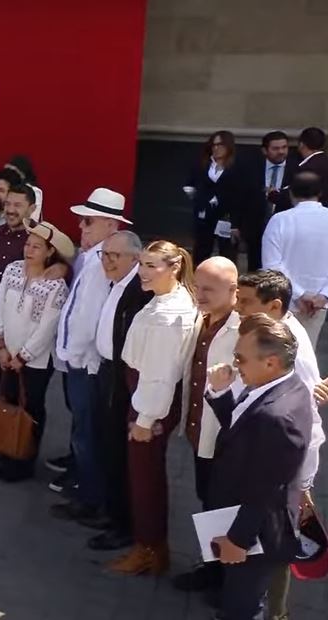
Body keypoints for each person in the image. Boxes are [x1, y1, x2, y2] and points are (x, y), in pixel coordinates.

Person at [204, 316, 311, 620]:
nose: (235, 365)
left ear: (271, 362)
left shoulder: (277, 417)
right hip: (243, 516)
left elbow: (266, 489)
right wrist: (222, 393)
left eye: (240, 358)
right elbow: (245, 433)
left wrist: (239, 540)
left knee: (242, 608)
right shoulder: (285, 385)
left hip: (255, 533)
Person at [234, 268, 326, 620]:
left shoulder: (294, 349)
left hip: (284, 472)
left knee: (276, 544)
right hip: (260, 459)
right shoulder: (265, 331)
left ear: (273, 306)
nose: (238, 307)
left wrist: (302, 485)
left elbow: (309, 423)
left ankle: (275, 613)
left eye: (246, 302)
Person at [109, 240, 198, 576]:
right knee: (146, 477)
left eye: (151, 266)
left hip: (149, 402)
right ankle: (150, 546)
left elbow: (161, 373)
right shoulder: (166, 301)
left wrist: (145, 419)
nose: (143, 272)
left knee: (145, 479)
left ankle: (150, 550)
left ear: (173, 268)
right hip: (145, 395)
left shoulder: (168, 314)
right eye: (142, 264)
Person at [48, 188, 133, 519]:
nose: (80, 228)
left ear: (110, 226)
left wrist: (74, 354)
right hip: (76, 359)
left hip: (87, 362)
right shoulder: (91, 255)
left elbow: (91, 316)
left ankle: (90, 497)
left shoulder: (105, 261)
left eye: (88, 222)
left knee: (89, 431)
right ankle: (83, 481)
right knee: (82, 426)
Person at [170, 257, 239, 594]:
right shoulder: (204, 317)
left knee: (222, 507)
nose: (201, 294)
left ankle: (222, 578)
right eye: (198, 287)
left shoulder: (244, 330)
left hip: (224, 439)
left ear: (234, 291)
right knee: (206, 499)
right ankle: (212, 568)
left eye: (210, 289)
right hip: (200, 433)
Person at [0, 220, 72, 481]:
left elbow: (48, 326)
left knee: (31, 408)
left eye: (37, 247)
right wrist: (0, 345)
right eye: (28, 244)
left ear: (49, 252)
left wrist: (23, 356)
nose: (29, 250)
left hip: (34, 361)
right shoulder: (12, 269)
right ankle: (6, 450)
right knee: (9, 402)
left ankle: (24, 459)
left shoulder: (56, 286)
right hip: (7, 352)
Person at [87, 231, 149, 553]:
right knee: (104, 446)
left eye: (115, 256)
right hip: (106, 371)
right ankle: (110, 512)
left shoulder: (138, 291)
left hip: (123, 379)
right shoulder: (116, 283)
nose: (107, 261)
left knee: (117, 453)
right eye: (104, 254)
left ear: (135, 259)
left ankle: (122, 525)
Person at [0, 185, 39, 426]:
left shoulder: (37, 241)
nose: (10, 210)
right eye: (9, 204)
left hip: (19, 328)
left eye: (18, 205)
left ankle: (11, 435)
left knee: (15, 385)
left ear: (31, 209)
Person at [261, 170, 328, 343]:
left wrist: (299, 294)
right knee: (308, 354)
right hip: (319, 303)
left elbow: (271, 265)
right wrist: (323, 295)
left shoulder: (279, 220)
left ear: (291, 192)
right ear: (320, 193)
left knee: (280, 354)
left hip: (285, 301)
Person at [237, 131, 292, 269]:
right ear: (265, 150)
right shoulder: (250, 167)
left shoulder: (296, 168)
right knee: (255, 267)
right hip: (256, 226)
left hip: (285, 227)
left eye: (284, 147)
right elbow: (240, 197)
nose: (281, 152)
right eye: (275, 148)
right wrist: (236, 225)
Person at [185, 130, 240, 264]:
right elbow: (189, 185)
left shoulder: (237, 168)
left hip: (226, 217)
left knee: (227, 254)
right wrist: (198, 198)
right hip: (204, 216)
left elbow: (240, 196)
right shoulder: (202, 165)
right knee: (201, 252)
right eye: (214, 145)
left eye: (220, 145)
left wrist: (236, 223)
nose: (216, 148)